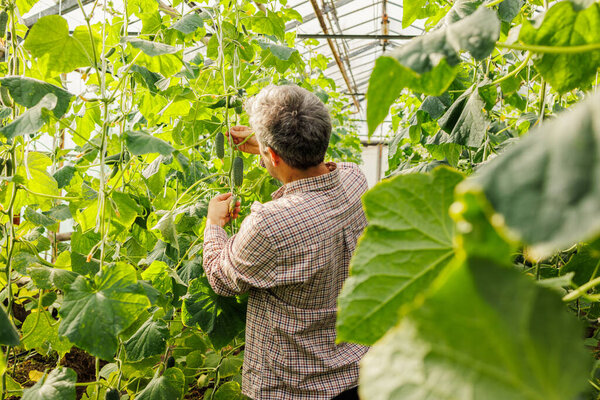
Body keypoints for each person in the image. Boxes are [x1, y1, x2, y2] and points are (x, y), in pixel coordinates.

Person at [203, 84, 368, 400]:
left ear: (274, 155)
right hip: (354, 373)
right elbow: (317, 168)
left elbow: (221, 277)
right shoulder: (355, 179)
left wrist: (214, 224)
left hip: (293, 387)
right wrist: (266, 149)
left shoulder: (270, 223)